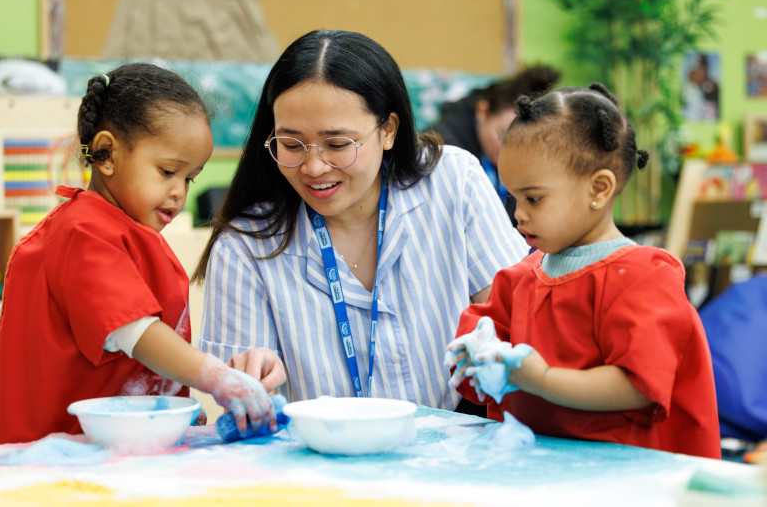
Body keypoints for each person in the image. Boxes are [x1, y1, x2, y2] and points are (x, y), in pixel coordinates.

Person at [193, 30, 529, 412]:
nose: (314, 167)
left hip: (458, 455)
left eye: (338, 144)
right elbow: (246, 405)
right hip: (321, 464)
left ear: (387, 131)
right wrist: (252, 387)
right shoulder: (245, 245)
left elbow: (517, 325)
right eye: (291, 144)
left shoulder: (454, 182)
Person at [0, 63, 281, 446]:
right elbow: (136, 334)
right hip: (48, 456)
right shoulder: (83, 231)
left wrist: (172, 400)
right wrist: (217, 378)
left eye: (189, 178)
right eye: (167, 171)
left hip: (103, 450)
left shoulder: (129, 231)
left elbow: (131, 362)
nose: (179, 192)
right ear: (106, 154)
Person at [446, 83, 721, 459]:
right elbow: (483, 337)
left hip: (624, 478)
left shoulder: (642, 277)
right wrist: (474, 358)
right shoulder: (521, 277)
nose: (518, 214)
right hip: (540, 468)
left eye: (534, 198)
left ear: (599, 189)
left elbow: (638, 385)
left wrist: (541, 380)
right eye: (513, 197)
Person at [428, 64, 561, 224]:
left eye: (523, 140)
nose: (511, 148)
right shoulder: (442, 151)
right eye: (503, 135)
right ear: (482, 112)